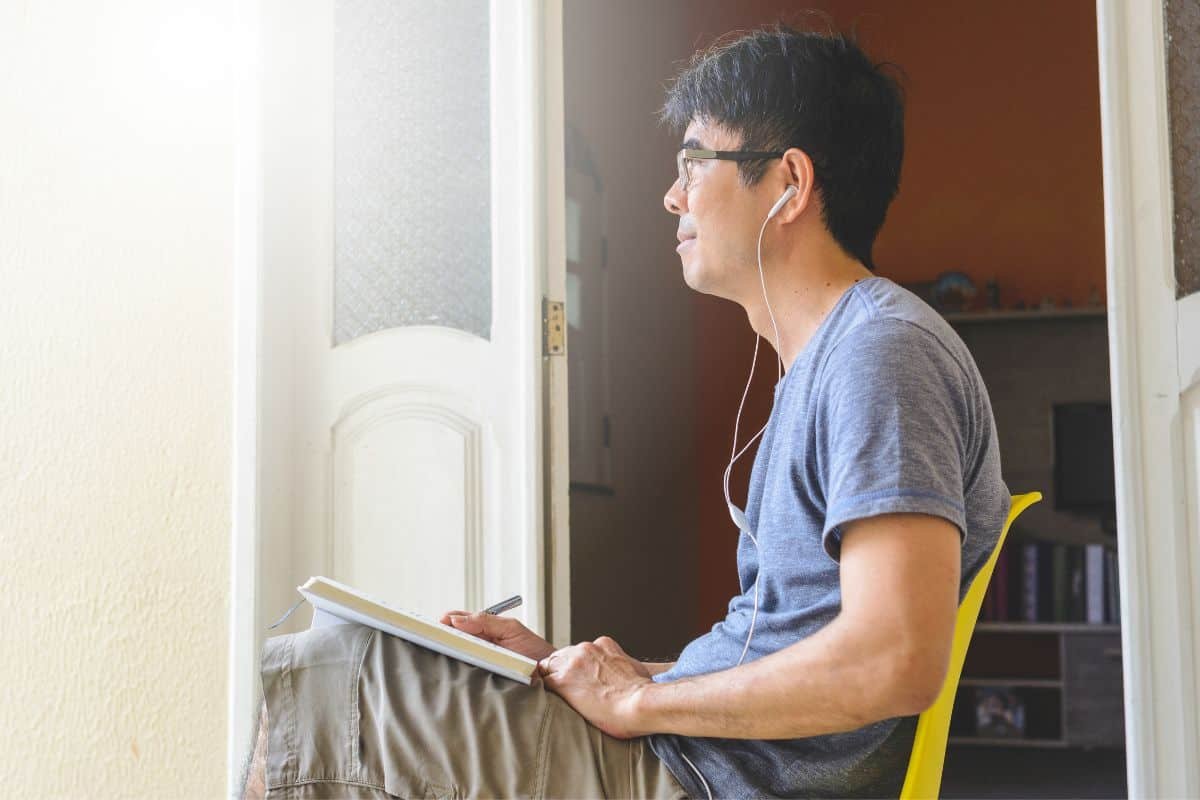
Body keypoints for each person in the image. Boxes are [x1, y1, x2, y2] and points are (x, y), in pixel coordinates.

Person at [241, 16, 1009, 799]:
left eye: (695, 162)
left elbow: (894, 661)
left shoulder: (879, 355)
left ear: (787, 185)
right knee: (358, 658)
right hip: (695, 753)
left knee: (327, 675)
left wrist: (639, 701)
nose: (671, 194)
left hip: (708, 781)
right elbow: (779, 650)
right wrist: (587, 670)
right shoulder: (829, 362)